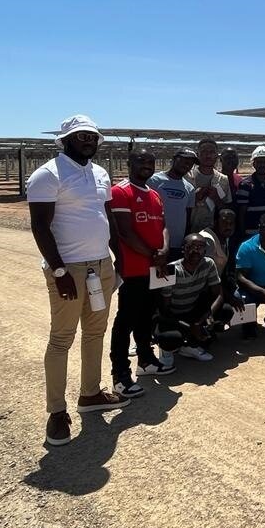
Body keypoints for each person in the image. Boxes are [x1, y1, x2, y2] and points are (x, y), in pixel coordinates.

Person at [27, 114, 126, 447]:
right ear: (66, 139)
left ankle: (91, 393)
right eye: (82, 136)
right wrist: (58, 271)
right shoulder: (47, 175)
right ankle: (56, 413)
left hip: (101, 266)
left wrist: (118, 257)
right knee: (61, 338)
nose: (88, 141)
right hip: (68, 268)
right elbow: (40, 226)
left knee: (96, 331)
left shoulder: (99, 173)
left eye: (92, 137)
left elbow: (107, 217)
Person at [110, 149, 174, 399]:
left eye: (151, 162)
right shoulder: (120, 192)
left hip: (154, 267)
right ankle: (120, 375)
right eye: (141, 161)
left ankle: (146, 360)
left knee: (146, 316)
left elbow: (164, 225)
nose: (147, 166)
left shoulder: (155, 194)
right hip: (134, 268)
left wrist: (165, 249)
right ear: (129, 163)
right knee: (125, 320)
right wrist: (152, 254)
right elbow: (124, 232)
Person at [158, 234, 224, 362]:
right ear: (183, 249)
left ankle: (189, 344)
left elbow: (219, 294)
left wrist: (207, 316)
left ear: (205, 250)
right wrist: (189, 328)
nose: (196, 251)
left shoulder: (208, 264)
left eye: (200, 247)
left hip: (191, 310)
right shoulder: (172, 270)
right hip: (172, 316)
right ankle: (168, 348)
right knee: (170, 338)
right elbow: (165, 310)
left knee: (224, 310)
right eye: (191, 247)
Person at [147, 149, 196, 260]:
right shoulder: (153, 181)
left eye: (191, 163)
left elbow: (187, 217)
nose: (187, 165)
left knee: (170, 275)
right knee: (152, 274)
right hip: (154, 241)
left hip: (177, 243)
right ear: (174, 159)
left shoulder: (189, 188)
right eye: (184, 160)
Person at [234, 145, 265, 248]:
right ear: (253, 164)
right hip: (252, 235)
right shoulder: (245, 185)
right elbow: (242, 212)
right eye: (259, 162)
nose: (262, 165)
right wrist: (243, 234)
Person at [188, 138, 231, 234]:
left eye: (212, 152)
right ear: (197, 155)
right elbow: (178, 206)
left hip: (214, 232)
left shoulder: (223, 179)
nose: (208, 155)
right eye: (204, 152)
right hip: (188, 230)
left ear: (216, 155)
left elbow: (227, 209)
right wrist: (193, 198)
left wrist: (217, 199)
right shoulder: (187, 177)